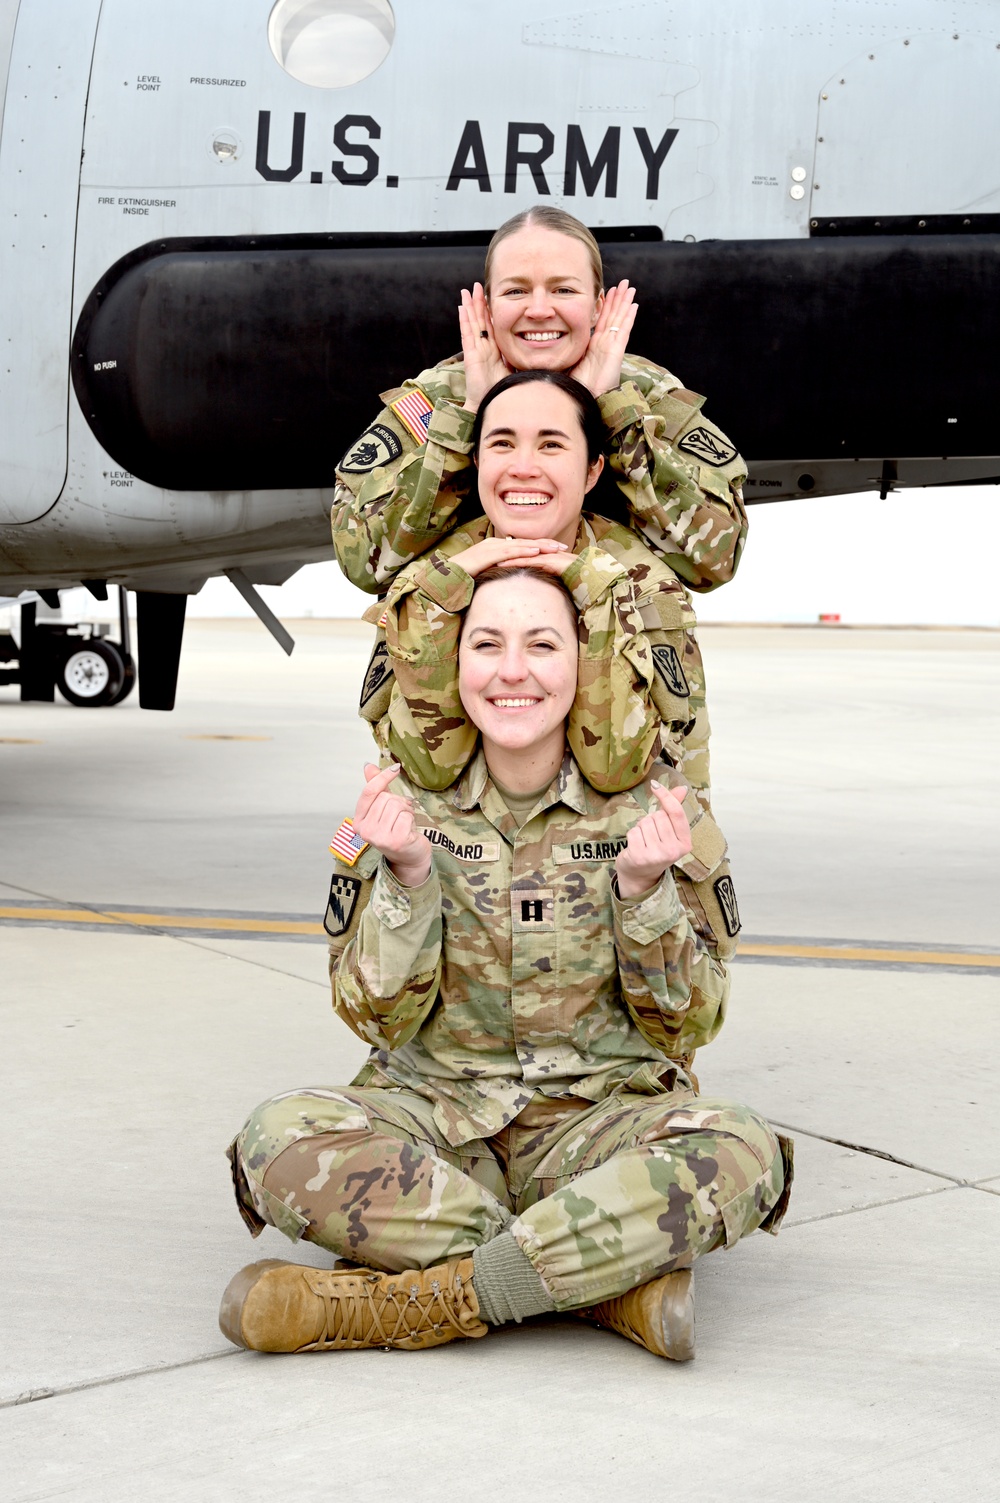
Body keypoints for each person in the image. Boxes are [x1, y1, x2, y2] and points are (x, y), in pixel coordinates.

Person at [221, 569, 791, 1361]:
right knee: (274, 1138)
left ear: (582, 667)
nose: (512, 669)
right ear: (458, 667)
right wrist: (407, 881)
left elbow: (690, 1025)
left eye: (542, 644)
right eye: (486, 644)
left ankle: (395, 1304)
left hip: (596, 1127)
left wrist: (644, 892)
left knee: (742, 1148)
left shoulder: (658, 812)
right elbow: (371, 1018)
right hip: (438, 1126)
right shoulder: (398, 807)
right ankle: (603, 1286)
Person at [333, 206, 745, 804]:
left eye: (564, 289)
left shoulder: (648, 398)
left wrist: (615, 418)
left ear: (600, 304)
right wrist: (465, 425)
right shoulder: (436, 402)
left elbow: (716, 555)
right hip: (463, 755)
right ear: (487, 303)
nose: (539, 310)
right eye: (516, 291)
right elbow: (363, 559)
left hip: (620, 737)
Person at [375, 370, 724, 816]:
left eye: (552, 445)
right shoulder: (429, 579)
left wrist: (599, 593)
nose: (523, 468)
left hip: (610, 856)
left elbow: (622, 766)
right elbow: (427, 764)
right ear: (477, 461)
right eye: (501, 443)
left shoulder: (643, 586)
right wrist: (436, 595)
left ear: (593, 469)